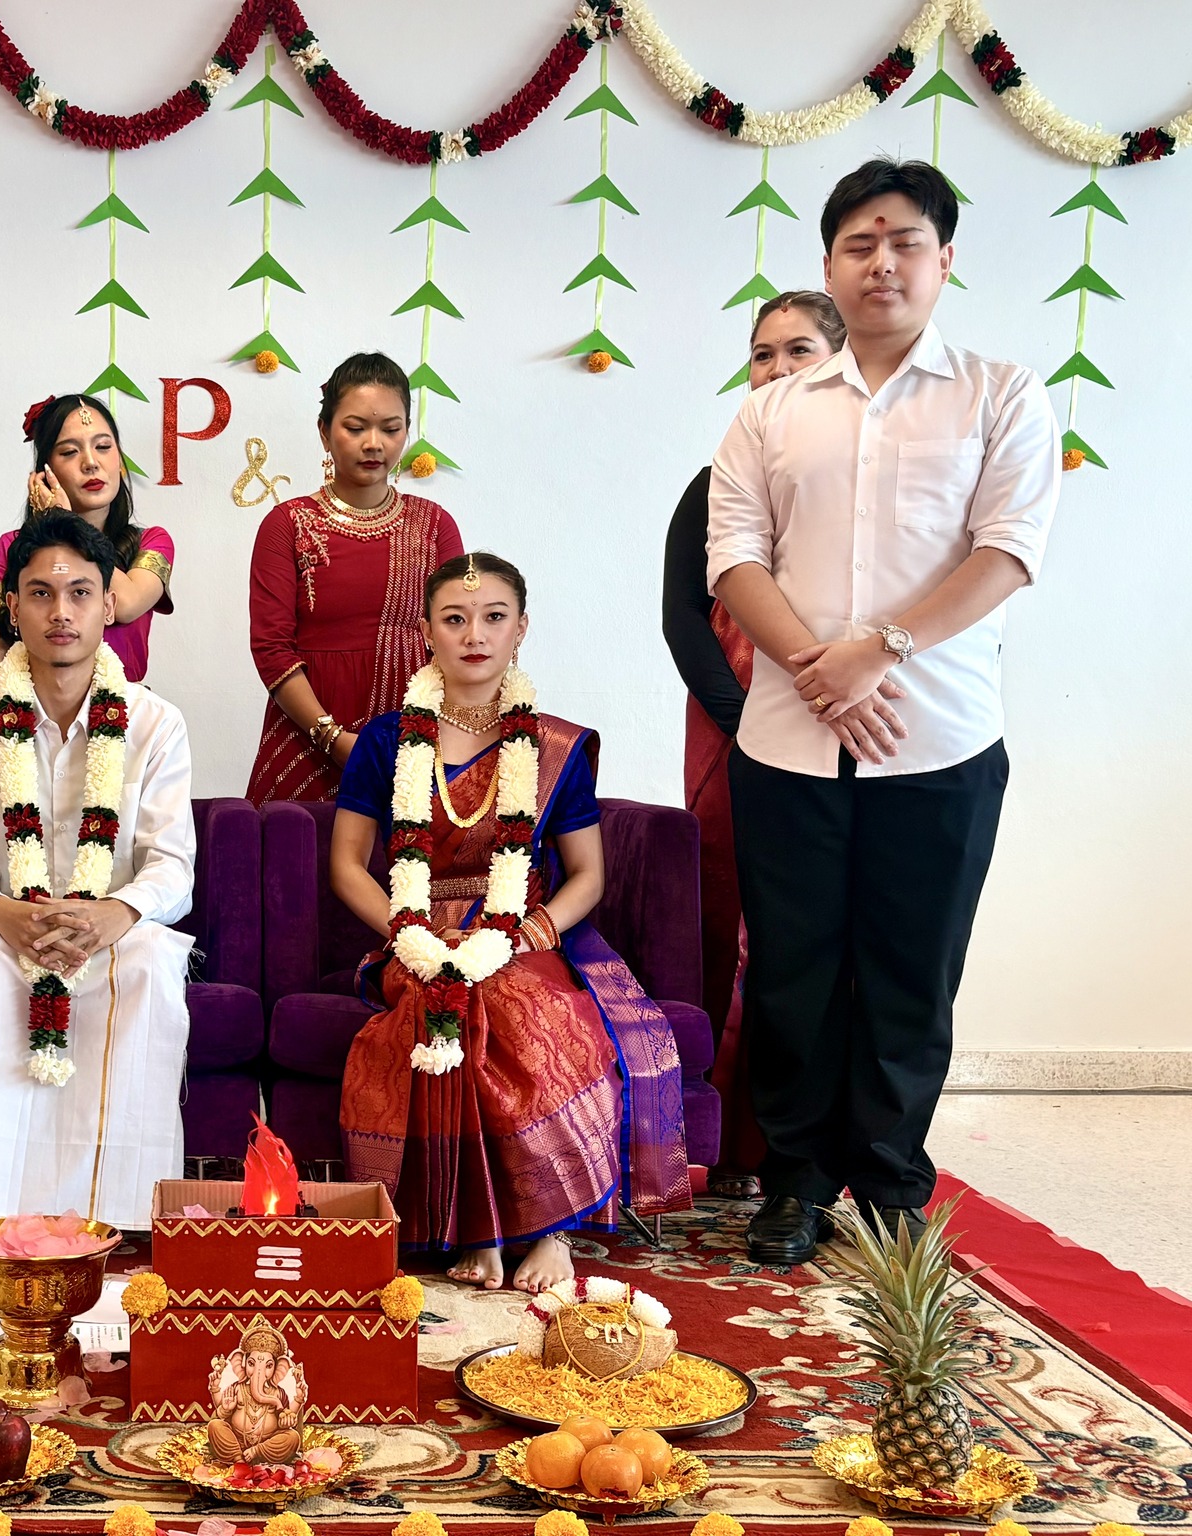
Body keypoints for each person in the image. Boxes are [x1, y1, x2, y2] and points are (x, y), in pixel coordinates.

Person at [709, 159, 1059, 1265]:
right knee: (794, 970)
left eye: (905, 242)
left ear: (943, 258)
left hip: (938, 738)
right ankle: (797, 1181)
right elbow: (733, 556)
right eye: (858, 245)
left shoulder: (999, 393)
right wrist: (820, 671)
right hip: (788, 740)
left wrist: (881, 651)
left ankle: (893, 1182)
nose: (882, 264)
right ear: (828, 265)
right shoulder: (769, 411)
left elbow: (1007, 552)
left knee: (913, 968)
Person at [335, 554, 692, 1293]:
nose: (475, 634)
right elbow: (347, 867)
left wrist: (533, 931)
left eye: (493, 617)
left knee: (517, 1001)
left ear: (521, 628)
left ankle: (551, 1231)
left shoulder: (552, 746)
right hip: (417, 932)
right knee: (445, 1000)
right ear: (426, 631)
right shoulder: (385, 741)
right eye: (454, 618)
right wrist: (409, 936)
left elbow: (588, 874)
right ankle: (483, 1232)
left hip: (521, 931)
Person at [0, 513, 196, 1231]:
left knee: (151, 959)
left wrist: (114, 914)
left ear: (109, 605)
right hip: (8, 926)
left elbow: (173, 864)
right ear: (12, 608)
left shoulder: (155, 723)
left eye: (80, 592)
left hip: (112, 929)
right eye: (41, 594)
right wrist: (2, 913)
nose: (61, 612)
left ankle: (121, 1211)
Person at [662, 291, 847, 1200]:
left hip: (845, 718)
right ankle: (722, 1140)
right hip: (732, 728)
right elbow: (683, 620)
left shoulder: (861, 489)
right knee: (724, 917)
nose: (775, 369)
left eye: (798, 351)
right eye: (762, 353)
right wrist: (747, 721)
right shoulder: (714, 485)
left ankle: (803, 1150)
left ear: (842, 363)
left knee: (820, 931)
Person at [246, 352, 463, 805]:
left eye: (391, 429)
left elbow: (456, 638)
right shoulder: (287, 525)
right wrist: (333, 739)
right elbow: (271, 649)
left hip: (410, 743)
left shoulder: (435, 526)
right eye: (355, 427)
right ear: (325, 432)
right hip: (306, 739)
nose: (374, 444)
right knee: (300, 848)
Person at [0, 393, 173, 683]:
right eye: (70, 452)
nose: (91, 463)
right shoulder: (11, 547)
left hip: (124, 706)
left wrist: (66, 522)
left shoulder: (151, 542)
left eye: (103, 447)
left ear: (119, 460)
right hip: (28, 707)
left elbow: (125, 605)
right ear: (45, 471)